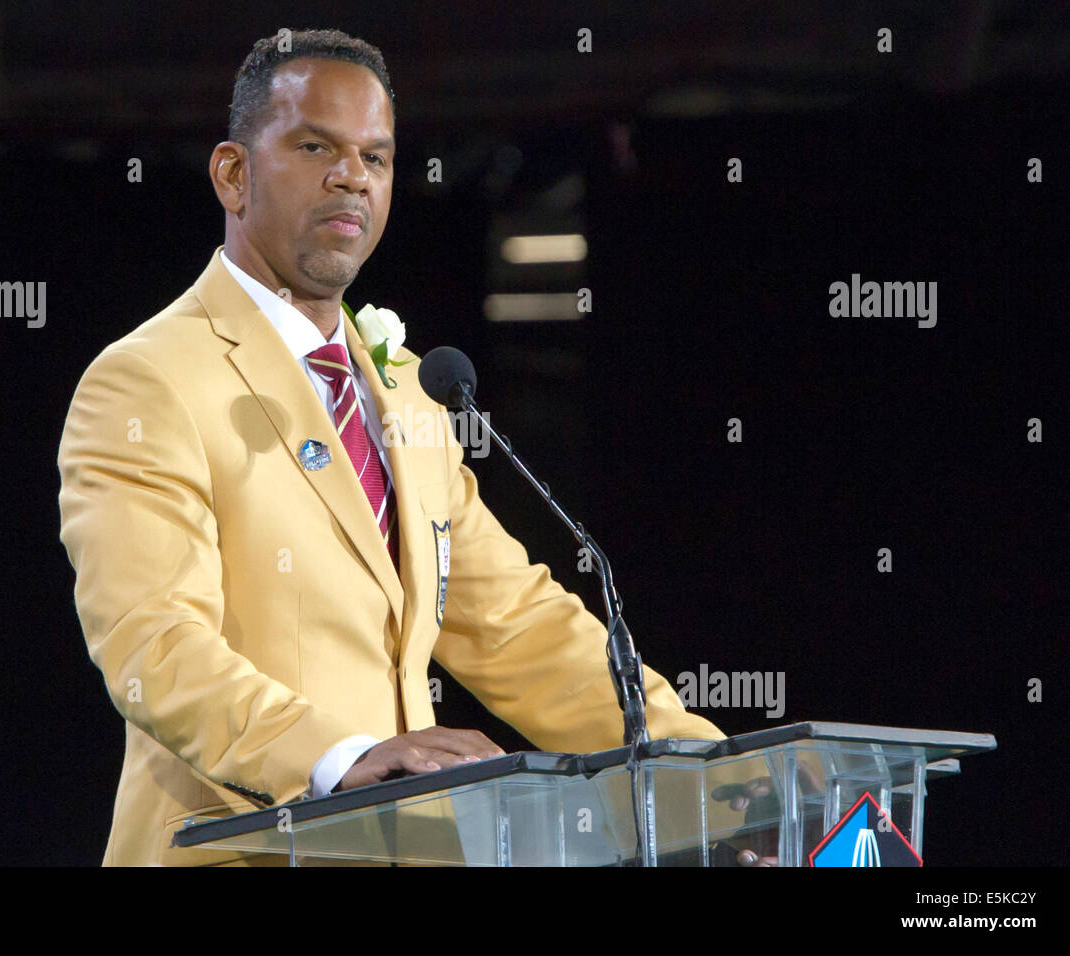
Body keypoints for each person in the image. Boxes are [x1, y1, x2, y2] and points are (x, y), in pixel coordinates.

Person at [57, 28, 734, 867]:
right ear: (234, 173)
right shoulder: (148, 381)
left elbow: (514, 625)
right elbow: (152, 644)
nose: (353, 177)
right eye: (316, 147)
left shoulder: (409, 388)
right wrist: (339, 757)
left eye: (376, 158)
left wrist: (713, 777)